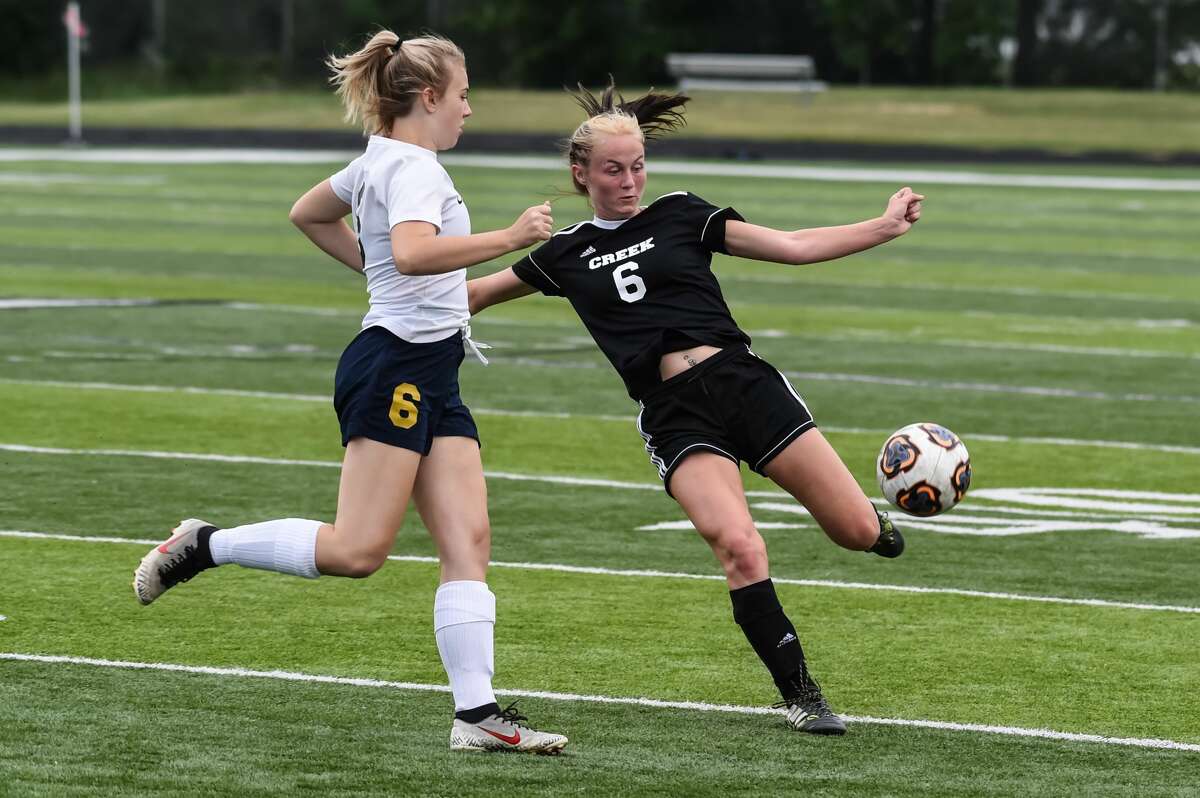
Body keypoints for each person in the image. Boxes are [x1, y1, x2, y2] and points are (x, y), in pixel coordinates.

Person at [132, 30, 567, 755]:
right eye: (463, 95)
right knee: (358, 550)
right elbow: (412, 253)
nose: (470, 108)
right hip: (393, 367)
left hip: (432, 367)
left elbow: (312, 215)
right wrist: (511, 235)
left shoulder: (382, 158)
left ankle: (477, 716)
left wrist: (397, 276)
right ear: (429, 97)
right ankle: (205, 544)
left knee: (470, 540)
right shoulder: (415, 168)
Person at [466, 82, 922, 736]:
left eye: (638, 166)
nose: (629, 182)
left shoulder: (681, 213)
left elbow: (791, 246)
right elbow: (473, 294)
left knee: (852, 532)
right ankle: (800, 694)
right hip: (675, 415)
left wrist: (884, 225)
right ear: (581, 174)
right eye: (613, 170)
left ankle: (872, 527)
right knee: (738, 545)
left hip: (744, 385)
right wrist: (399, 273)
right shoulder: (564, 253)